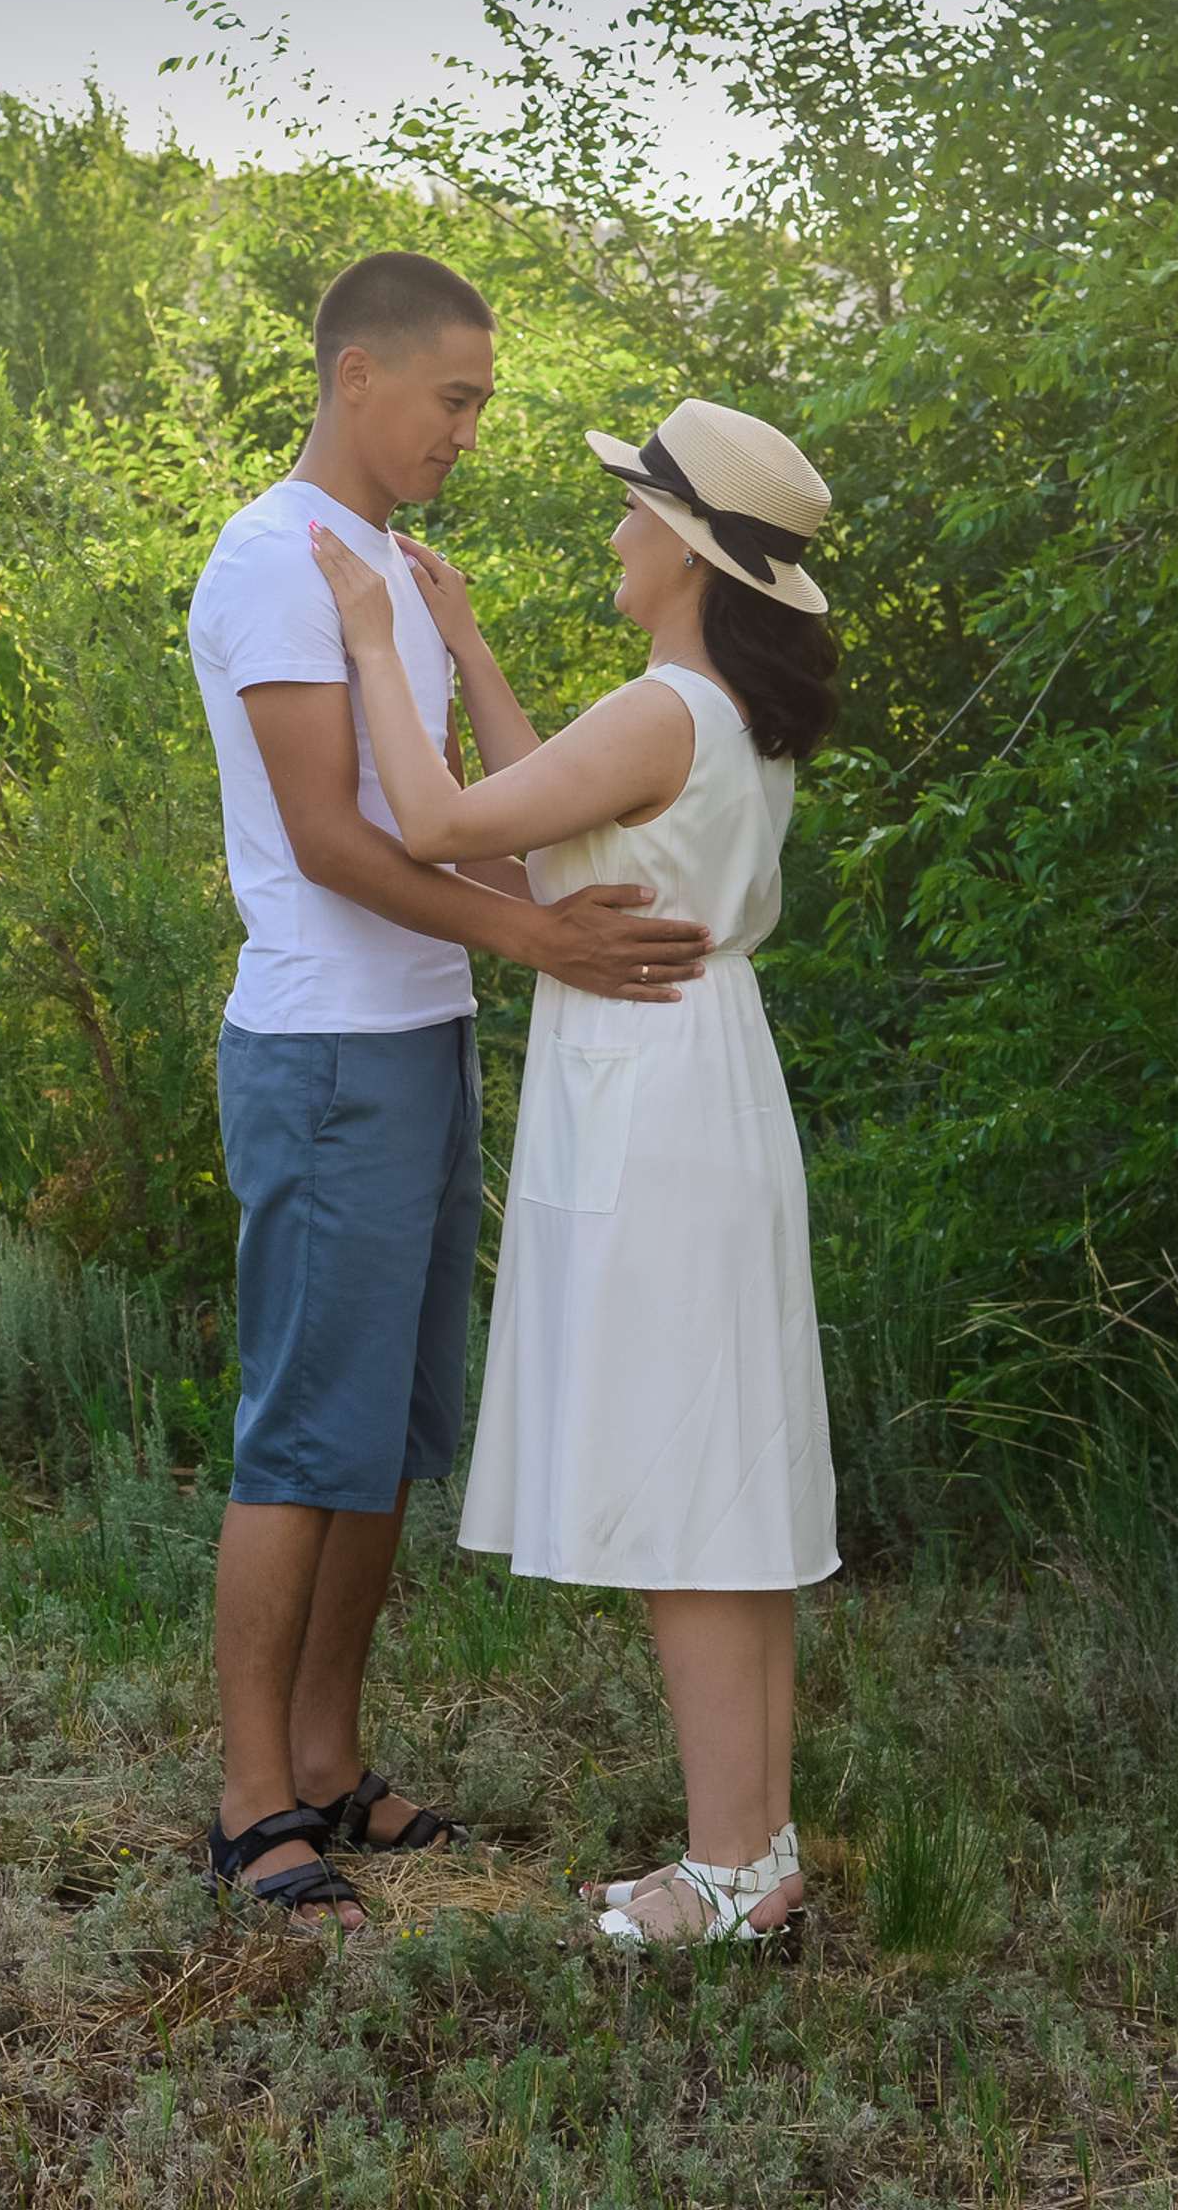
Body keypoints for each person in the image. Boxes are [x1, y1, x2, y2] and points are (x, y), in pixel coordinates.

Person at [188, 252, 717, 1932]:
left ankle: (332, 1763)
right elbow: (336, 841)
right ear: (358, 376)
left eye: (481, 403)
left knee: (385, 1436)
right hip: (325, 1044)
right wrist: (537, 942)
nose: (469, 433)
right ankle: (251, 1802)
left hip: (419, 1038)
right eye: (455, 399)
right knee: (300, 1433)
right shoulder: (275, 561)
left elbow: (458, 806)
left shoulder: (399, 576)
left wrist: (509, 943)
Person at [308, 395, 842, 1950]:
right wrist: (464, 650)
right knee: (720, 1495)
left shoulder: (668, 703)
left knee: (694, 1498)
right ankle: (749, 1858)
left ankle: (732, 1871)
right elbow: (545, 850)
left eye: (631, 512)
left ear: (680, 547)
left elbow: (441, 822)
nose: (613, 532)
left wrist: (365, 633)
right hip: (695, 1082)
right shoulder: (700, 712)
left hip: (661, 1104)